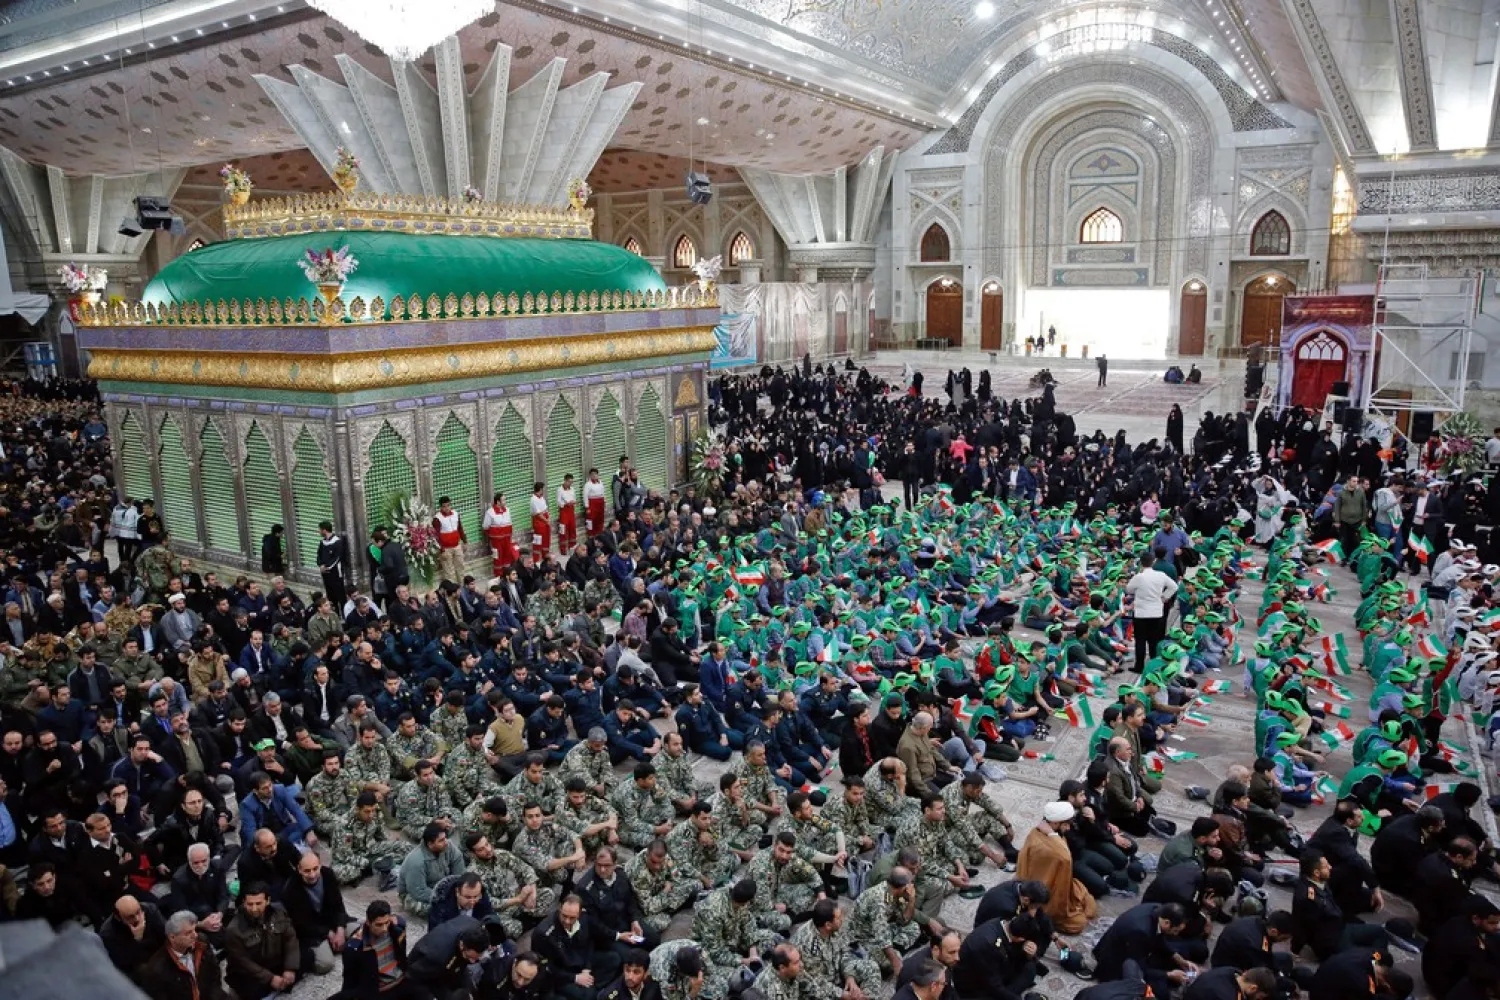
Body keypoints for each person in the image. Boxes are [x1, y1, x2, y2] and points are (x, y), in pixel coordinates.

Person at [533, 894, 623, 1000]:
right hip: (562, 975)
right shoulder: (543, 934)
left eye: (572, 918)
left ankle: (594, 987)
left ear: (580, 913)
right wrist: (575, 978)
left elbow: (589, 942)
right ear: (560, 908)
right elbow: (547, 967)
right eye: (564, 916)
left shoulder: (585, 918)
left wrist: (587, 968)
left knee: (614, 959)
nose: (567, 921)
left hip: (582, 964)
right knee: (588, 995)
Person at [282, 849, 354, 978]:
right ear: (299, 869)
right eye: (307, 871)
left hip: (332, 920)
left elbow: (339, 904)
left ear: (320, 865)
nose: (312, 874)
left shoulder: (328, 875)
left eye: (315, 869)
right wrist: (329, 934)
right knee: (325, 964)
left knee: (360, 931)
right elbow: (301, 925)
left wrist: (340, 930)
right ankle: (330, 945)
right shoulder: (290, 889)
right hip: (312, 932)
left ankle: (335, 943)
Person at [224, 881, 301, 999]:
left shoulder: (279, 912)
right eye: (250, 904)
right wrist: (270, 978)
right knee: (251, 991)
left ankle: (279, 985)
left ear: (268, 901)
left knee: (306, 956)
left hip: (275, 962)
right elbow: (242, 962)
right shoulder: (234, 929)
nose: (254, 909)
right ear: (244, 902)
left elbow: (290, 939)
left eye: (259, 903)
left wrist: (289, 968)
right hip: (250, 972)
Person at [338, 899, 423, 1000]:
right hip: (379, 990)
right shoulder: (354, 948)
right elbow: (349, 982)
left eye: (386, 923)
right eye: (379, 925)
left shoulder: (398, 928)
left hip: (401, 980)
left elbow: (402, 956)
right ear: (368, 923)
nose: (384, 929)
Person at [138, 910, 228, 1000]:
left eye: (194, 930)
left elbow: (214, 973)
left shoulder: (201, 942)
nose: (195, 935)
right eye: (188, 933)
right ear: (172, 937)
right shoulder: (156, 971)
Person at [1125, 552, 1177, 671]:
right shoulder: (1161, 575)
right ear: (1153, 562)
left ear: (1141, 563)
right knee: (1154, 641)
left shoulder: (1139, 576)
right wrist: (1164, 597)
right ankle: (1154, 665)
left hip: (1141, 613)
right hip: (1156, 612)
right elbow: (1174, 586)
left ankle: (1139, 666)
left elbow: (1129, 589)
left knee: (1140, 641)